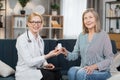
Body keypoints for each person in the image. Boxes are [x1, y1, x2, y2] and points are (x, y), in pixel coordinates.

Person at [60, 8, 114, 80]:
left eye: (90, 17)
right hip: (84, 69)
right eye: (85, 18)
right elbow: (75, 55)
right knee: (72, 71)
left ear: (96, 19)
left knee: (81, 73)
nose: (88, 20)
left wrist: (94, 66)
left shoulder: (103, 35)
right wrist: (66, 53)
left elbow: (109, 59)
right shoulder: (81, 35)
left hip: (101, 71)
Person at [15, 12, 61, 80]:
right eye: (33, 22)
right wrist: (48, 55)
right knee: (49, 76)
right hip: (25, 72)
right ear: (28, 23)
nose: (36, 24)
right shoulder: (22, 39)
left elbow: (41, 57)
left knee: (57, 73)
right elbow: (29, 62)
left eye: (38, 22)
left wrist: (46, 64)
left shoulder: (40, 40)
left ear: (42, 24)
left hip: (38, 70)